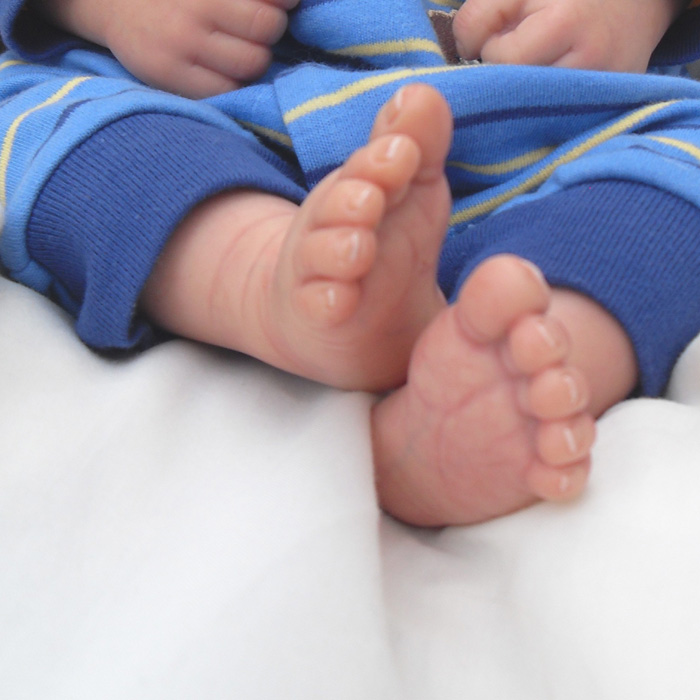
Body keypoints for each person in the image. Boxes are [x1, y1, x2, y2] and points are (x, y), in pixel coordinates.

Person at [3, 0, 700, 526]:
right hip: (202, 106)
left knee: (683, 171)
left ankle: (523, 359)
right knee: (51, 123)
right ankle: (269, 277)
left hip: (552, 119)